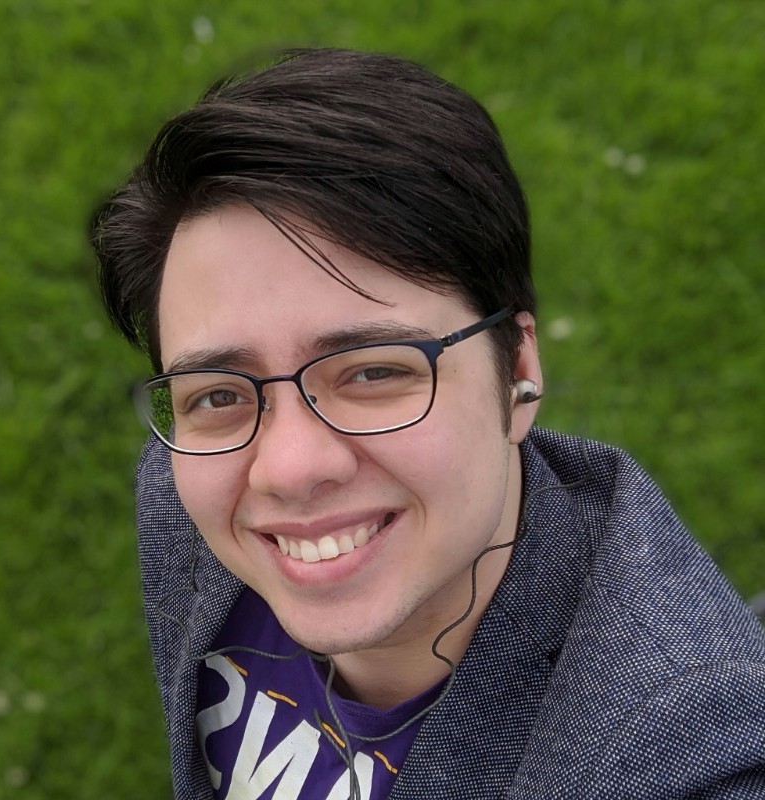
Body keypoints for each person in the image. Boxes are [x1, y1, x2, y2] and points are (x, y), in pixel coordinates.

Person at [90, 48, 765, 799]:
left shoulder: (675, 748)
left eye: (374, 371)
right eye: (220, 392)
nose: (285, 468)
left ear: (517, 375)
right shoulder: (184, 482)